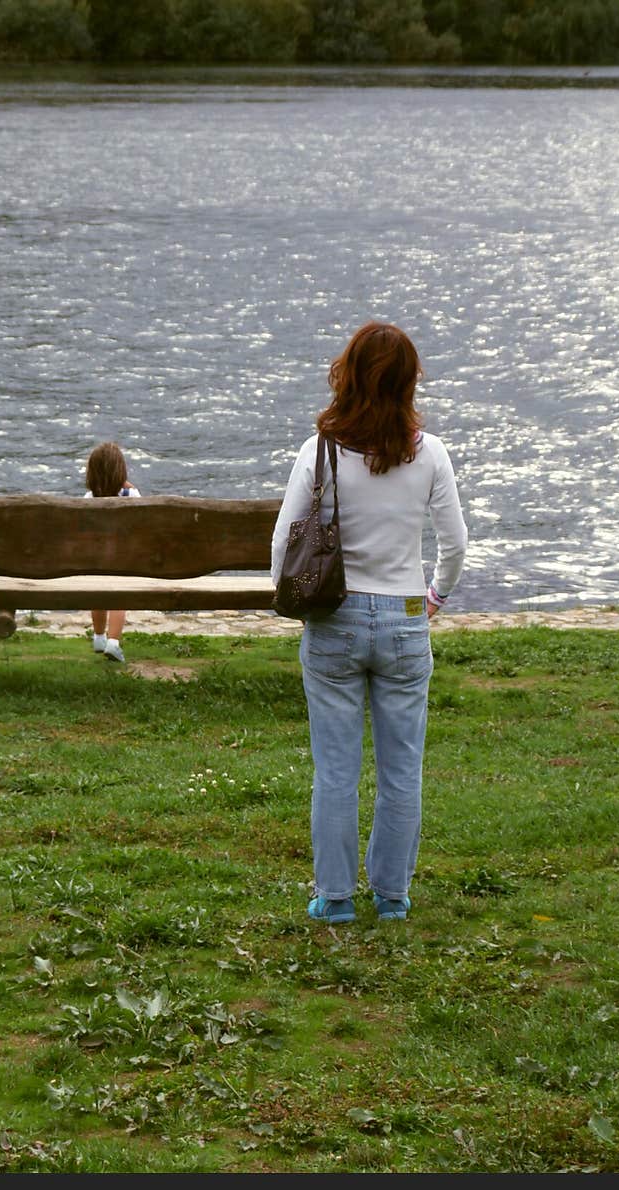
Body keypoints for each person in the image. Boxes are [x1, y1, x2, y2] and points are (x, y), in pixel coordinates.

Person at [271, 322, 467, 925]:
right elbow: (455, 544)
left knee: (335, 771)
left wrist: (298, 601)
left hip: (336, 619)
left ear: (347, 373)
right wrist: (434, 596)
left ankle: (334, 898)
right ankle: (392, 896)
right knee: (401, 769)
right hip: (406, 619)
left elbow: (283, 545)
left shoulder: (320, 451)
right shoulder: (428, 452)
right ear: (409, 381)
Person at [84, 441, 140, 664]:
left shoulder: (89, 499)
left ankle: (98, 636)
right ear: (121, 470)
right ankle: (113, 642)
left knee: (99, 591)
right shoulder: (130, 494)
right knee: (119, 595)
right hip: (122, 560)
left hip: (95, 561)